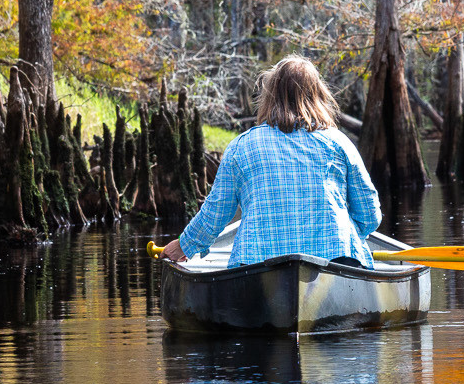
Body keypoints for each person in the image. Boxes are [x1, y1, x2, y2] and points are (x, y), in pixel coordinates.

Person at [161, 57, 383, 267]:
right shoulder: (339, 142)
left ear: (269, 96)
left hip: (257, 263)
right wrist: (349, 234)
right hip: (337, 259)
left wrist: (183, 246)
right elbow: (370, 215)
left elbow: (215, 213)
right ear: (318, 95)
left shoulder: (241, 147)